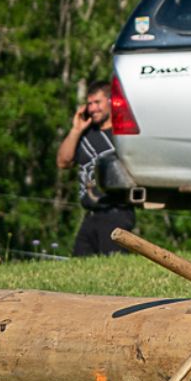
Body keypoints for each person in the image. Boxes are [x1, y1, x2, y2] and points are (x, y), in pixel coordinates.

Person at [56, 81, 135, 256]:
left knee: (114, 264)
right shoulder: (85, 134)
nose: (92, 108)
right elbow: (63, 162)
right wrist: (76, 130)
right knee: (79, 264)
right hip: (91, 213)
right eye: (89, 104)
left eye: (97, 102)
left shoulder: (122, 134)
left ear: (111, 101)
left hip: (116, 211)